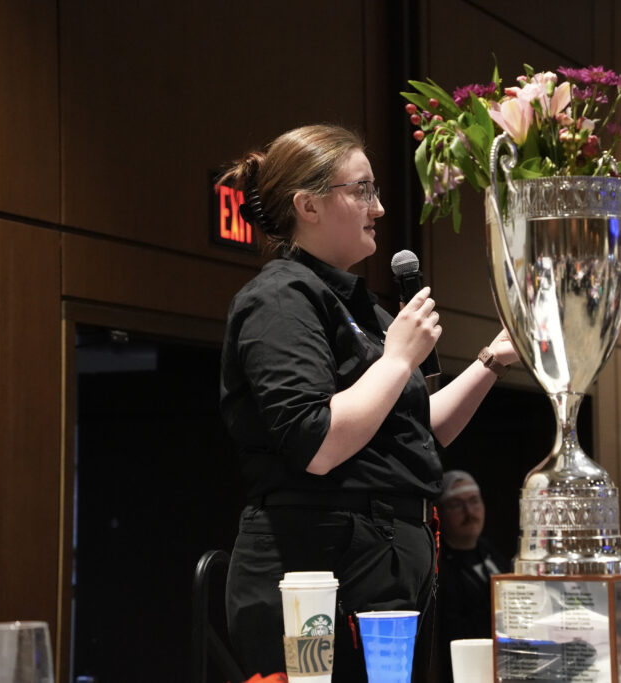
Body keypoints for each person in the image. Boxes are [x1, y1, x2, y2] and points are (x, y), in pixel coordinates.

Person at [217, 124, 519, 681]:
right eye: (361, 190)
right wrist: (399, 360)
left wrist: (494, 359)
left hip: (381, 567)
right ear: (307, 204)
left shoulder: (361, 307)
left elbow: (424, 429)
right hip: (314, 573)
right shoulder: (280, 297)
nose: (377, 208)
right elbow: (318, 443)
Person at [435, 470, 511, 681]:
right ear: (440, 512)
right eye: (457, 504)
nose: (469, 511)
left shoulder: (491, 551)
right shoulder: (438, 567)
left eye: (474, 501)